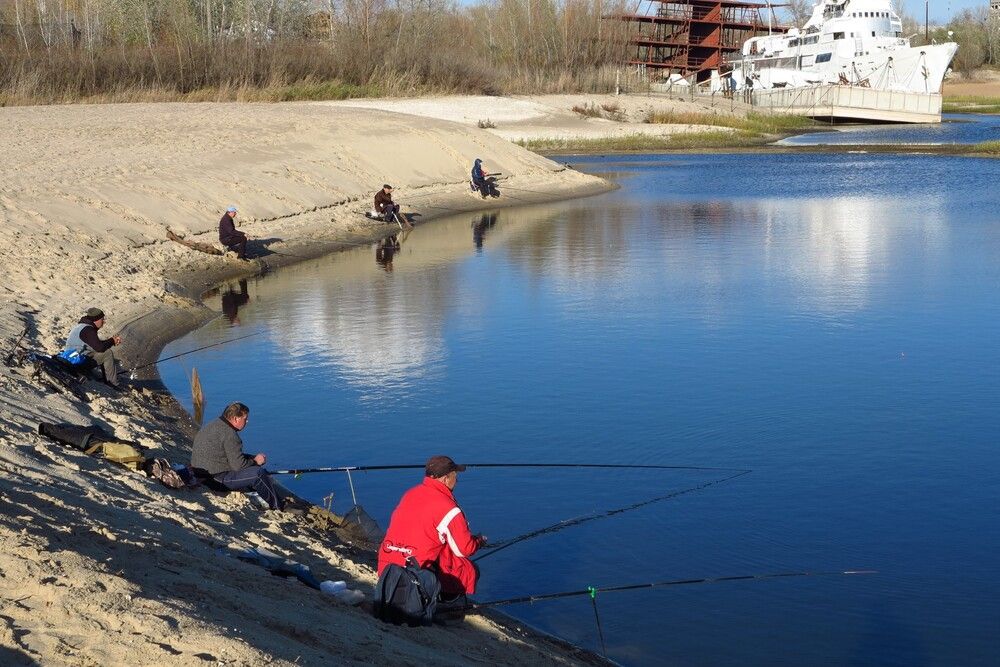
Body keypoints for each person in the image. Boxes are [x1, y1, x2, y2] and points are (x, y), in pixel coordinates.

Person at [377, 456, 486, 600]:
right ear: (446, 478)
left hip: (386, 569)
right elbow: (463, 549)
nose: (457, 481)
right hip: (414, 576)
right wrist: (478, 541)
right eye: (455, 476)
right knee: (470, 570)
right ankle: (446, 602)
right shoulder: (449, 508)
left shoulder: (410, 494)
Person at [190, 402, 283, 510]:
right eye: (245, 418)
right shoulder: (230, 435)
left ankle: (261, 493)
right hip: (215, 480)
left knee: (252, 467)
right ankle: (278, 506)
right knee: (258, 474)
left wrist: (251, 458)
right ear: (235, 419)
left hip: (201, 473)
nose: (247, 421)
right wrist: (256, 462)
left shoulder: (214, 424)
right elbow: (238, 466)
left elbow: (229, 454)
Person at [61, 307, 123, 388]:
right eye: (102, 319)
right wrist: (112, 341)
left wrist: (112, 341)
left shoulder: (82, 326)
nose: (104, 321)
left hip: (72, 358)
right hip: (76, 363)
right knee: (107, 353)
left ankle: (107, 378)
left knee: (102, 352)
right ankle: (112, 384)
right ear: (96, 320)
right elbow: (100, 348)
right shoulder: (88, 330)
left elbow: (96, 345)